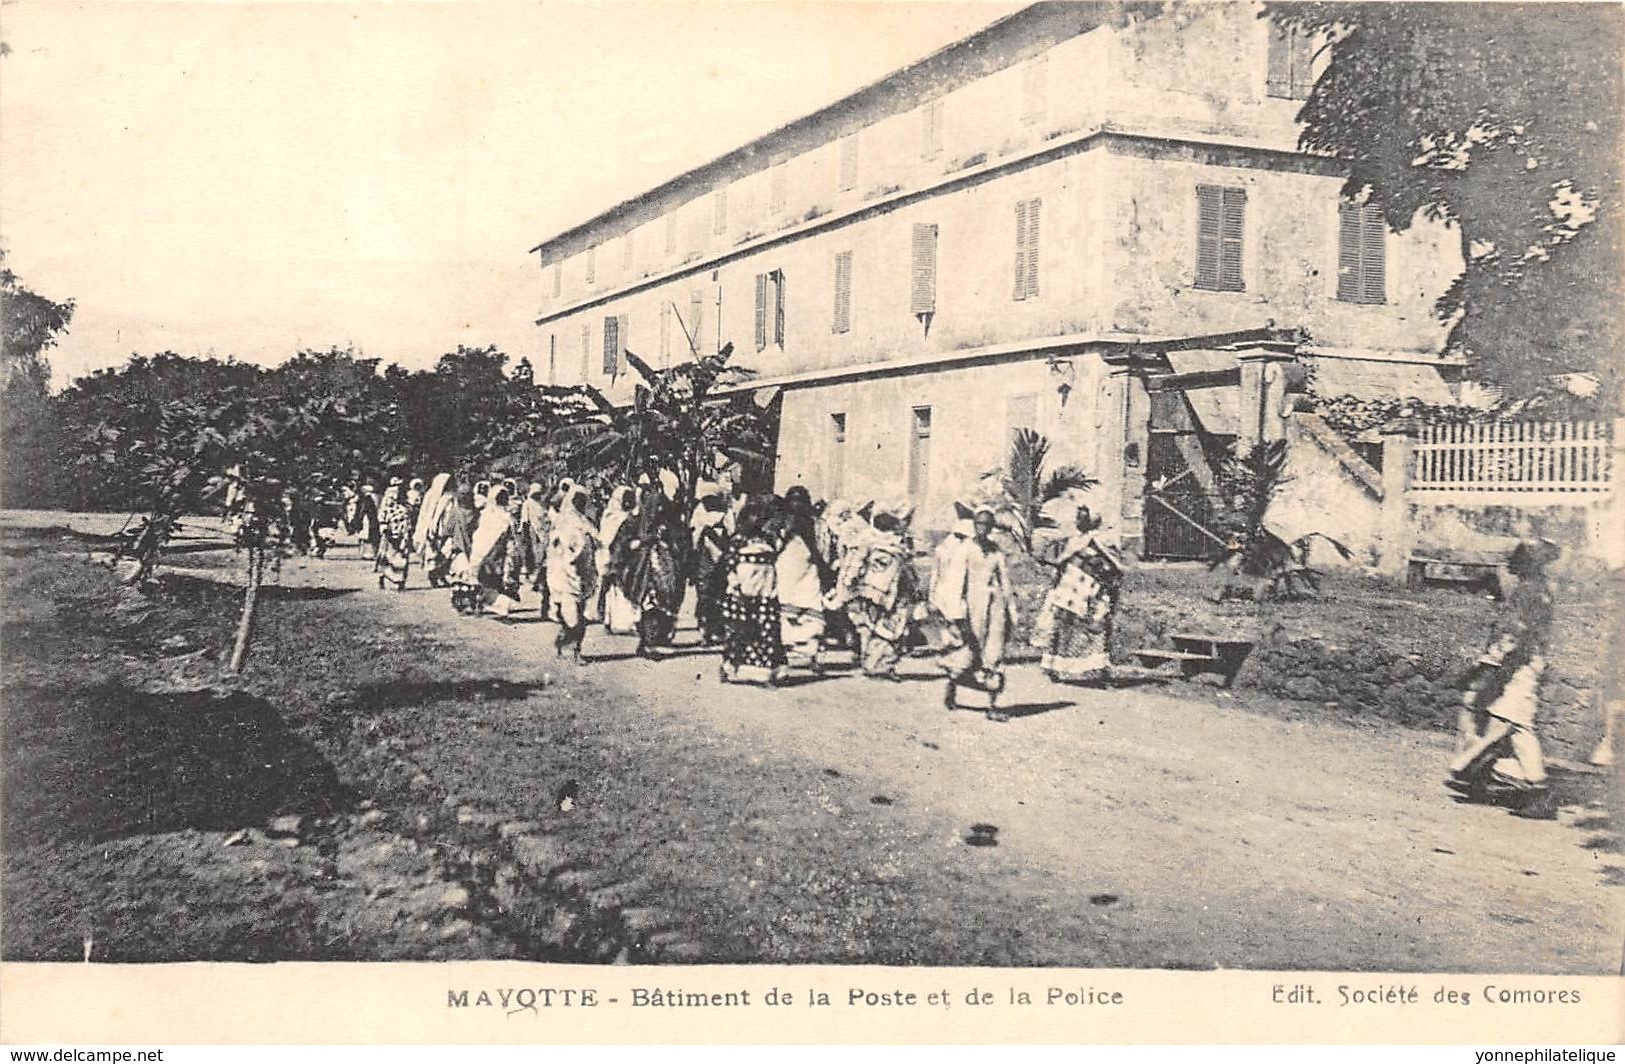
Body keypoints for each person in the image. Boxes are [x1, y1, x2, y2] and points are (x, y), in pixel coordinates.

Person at [1447, 539, 1561, 816]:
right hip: (1524, 661)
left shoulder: (1530, 591)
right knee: (1504, 721)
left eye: (1519, 559)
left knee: (1515, 725)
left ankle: (1538, 793)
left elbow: (1516, 633)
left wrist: (1488, 662)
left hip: (1522, 663)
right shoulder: (1537, 589)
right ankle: (1478, 776)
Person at [1031, 505, 1122, 685]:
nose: (1077, 521)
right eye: (1077, 517)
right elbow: (1061, 562)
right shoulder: (1072, 540)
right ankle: (1054, 667)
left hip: (1089, 589)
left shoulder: (1098, 540)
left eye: (1081, 518)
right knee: (1062, 627)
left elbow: (1113, 564)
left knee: (1094, 628)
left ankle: (1097, 670)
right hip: (1069, 589)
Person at [946, 506, 1019, 721]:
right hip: (972, 607)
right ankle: (953, 685)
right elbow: (956, 581)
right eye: (979, 524)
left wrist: (1010, 609)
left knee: (993, 653)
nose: (982, 528)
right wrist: (958, 613)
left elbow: (1004, 580)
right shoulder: (966, 549)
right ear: (974, 525)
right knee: (969, 652)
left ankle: (992, 705)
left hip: (995, 607)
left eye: (987, 525)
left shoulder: (995, 551)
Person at [835, 504, 917, 681]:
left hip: (896, 592)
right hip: (874, 591)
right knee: (874, 627)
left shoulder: (899, 542)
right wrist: (849, 581)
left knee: (895, 627)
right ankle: (873, 665)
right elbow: (856, 561)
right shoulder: (868, 539)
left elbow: (906, 568)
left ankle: (883, 665)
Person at [720, 497, 786, 685]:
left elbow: (776, 565)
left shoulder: (770, 540)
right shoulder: (738, 541)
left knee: (767, 630)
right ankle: (731, 667)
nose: (757, 521)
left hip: (766, 592)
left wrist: (775, 588)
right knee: (739, 631)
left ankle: (766, 673)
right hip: (742, 592)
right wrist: (735, 586)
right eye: (753, 517)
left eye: (760, 517)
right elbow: (730, 566)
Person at [617, 486, 686, 657]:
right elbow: (622, 544)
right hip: (644, 571)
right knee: (648, 606)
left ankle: (657, 638)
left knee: (663, 605)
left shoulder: (670, 525)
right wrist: (640, 543)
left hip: (664, 571)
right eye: (656, 507)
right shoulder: (635, 523)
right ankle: (647, 641)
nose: (659, 511)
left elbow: (680, 544)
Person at [777, 486, 834, 672]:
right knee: (788, 614)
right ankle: (790, 654)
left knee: (810, 612)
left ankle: (812, 655)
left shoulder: (812, 523)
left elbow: (816, 549)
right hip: (788, 570)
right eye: (794, 500)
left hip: (807, 570)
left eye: (801, 501)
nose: (797, 504)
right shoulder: (785, 523)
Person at [546, 486, 598, 663]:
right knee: (571, 612)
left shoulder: (584, 521)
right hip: (565, 572)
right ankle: (572, 649)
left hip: (580, 574)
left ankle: (569, 646)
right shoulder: (564, 522)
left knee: (578, 610)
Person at [466, 484, 520, 617]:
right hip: (491, 552)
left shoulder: (491, 515)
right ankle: (486, 604)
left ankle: (483, 604)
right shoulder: (501, 517)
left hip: (490, 553)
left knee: (489, 580)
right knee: (488, 580)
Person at [690, 492, 733, 646]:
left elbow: (694, 530)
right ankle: (716, 631)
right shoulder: (725, 510)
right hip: (720, 556)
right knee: (719, 595)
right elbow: (732, 530)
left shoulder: (701, 508)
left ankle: (706, 631)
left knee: (705, 596)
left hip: (705, 558)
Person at [596, 486, 639, 629]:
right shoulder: (611, 516)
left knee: (623, 587)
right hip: (610, 555)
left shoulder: (630, 516)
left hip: (624, 555)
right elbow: (606, 537)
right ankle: (607, 617)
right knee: (610, 588)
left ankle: (622, 620)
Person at [374, 478, 414, 590]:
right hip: (391, 532)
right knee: (389, 555)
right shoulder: (387, 500)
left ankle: (400, 581)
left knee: (403, 555)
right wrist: (384, 527)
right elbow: (383, 514)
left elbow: (411, 514)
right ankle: (386, 576)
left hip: (404, 532)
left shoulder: (406, 501)